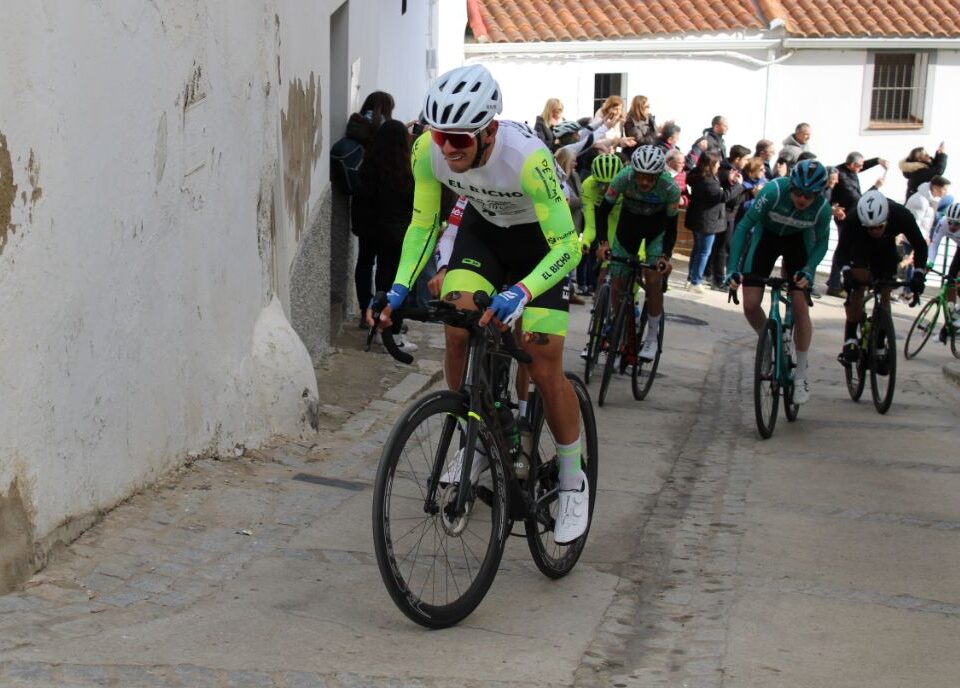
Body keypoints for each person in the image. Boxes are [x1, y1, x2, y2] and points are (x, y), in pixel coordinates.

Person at [367, 64, 588, 544]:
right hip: (484, 235)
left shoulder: (528, 158)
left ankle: (573, 479)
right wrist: (399, 289)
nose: (447, 148)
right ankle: (474, 431)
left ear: (488, 131)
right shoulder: (428, 150)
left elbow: (569, 247)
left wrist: (522, 291)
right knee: (457, 327)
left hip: (541, 245)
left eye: (459, 140)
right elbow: (424, 224)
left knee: (544, 360)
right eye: (439, 135)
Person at [726, 160, 833, 404]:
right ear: (791, 185)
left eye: (808, 195)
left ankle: (801, 375)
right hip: (767, 239)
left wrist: (808, 270)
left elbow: (822, 243)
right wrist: (732, 269)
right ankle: (770, 342)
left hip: (798, 243)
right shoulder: (773, 191)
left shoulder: (822, 209)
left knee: (799, 304)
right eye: (797, 192)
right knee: (751, 304)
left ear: (818, 194)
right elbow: (744, 227)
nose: (801, 199)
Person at [595, 145, 680, 362]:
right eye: (640, 176)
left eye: (649, 178)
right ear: (634, 171)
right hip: (628, 228)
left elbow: (672, 227)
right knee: (617, 280)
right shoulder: (623, 178)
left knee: (653, 278)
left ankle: (652, 336)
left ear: (659, 174)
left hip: (656, 232)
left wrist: (665, 257)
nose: (644, 182)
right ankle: (618, 334)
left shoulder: (670, 188)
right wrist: (603, 243)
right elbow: (603, 211)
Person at [835, 190, 927, 363]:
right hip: (860, 244)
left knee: (885, 289)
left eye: (879, 226)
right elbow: (841, 252)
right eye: (871, 227)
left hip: (886, 246)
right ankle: (850, 337)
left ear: (887, 219)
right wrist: (847, 272)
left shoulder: (901, 215)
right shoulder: (854, 219)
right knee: (857, 285)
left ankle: (879, 340)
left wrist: (919, 275)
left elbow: (920, 246)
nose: (875, 230)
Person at [352, 119, 417, 351]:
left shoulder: (368, 165)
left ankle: (366, 312)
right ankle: (389, 331)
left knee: (364, 265)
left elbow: (358, 196)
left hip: (369, 229)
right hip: (394, 233)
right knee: (391, 280)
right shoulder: (404, 169)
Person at [347, 91, 395, 328]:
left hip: (362, 208)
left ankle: (364, 309)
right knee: (384, 265)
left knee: (364, 261)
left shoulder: (358, 125)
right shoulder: (386, 129)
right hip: (384, 211)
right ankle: (378, 312)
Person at [825, 152, 888, 297]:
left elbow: (862, 165)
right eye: (859, 166)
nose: (861, 169)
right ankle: (834, 284)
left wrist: (877, 160)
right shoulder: (845, 180)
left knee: (844, 248)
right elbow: (858, 200)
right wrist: (876, 187)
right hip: (846, 216)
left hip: (847, 214)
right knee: (844, 249)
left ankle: (834, 281)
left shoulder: (845, 168)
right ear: (852, 165)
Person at [685, 151, 742, 292]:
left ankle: (691, 278)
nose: (719, 166)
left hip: (699, 219)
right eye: (717, 163)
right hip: (707, 221)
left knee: (697, 250)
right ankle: (696, 281)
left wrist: (728, 179)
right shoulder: (707, 181)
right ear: (710, 165)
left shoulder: (699, 176)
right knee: (704, 252)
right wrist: (737, 186)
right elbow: (722, 196)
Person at [578, 153, 625, 298]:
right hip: (603, 219)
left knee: (630, 267)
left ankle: (633, 302)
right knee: (603, 271)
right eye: (600, 183)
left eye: (610, 184)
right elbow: (590, 226)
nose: (605, 189)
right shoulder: (588, 185)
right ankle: (598, 313)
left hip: (621, 219)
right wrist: (584, 241)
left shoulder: (626, 185)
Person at [926, 202, 960, 330]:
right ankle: (950, 321)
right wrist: (930, 262)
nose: (952, 226)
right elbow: (934, 244)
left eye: (957, 224)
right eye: (950, 222)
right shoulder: (943, 222)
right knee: (950, 281)